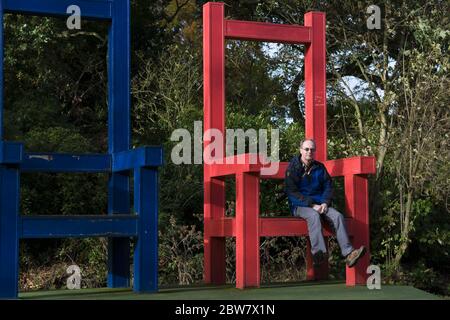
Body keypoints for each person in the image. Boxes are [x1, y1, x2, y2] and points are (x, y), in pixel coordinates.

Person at [284, 138, 366, 268]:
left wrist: (325, 203)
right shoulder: (293, 168)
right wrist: (311, 205)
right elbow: (292, 192)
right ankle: (319, 253)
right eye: (306, 149)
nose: (309, 152)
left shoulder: (320, 167)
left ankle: (349, 253)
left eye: (312, 149)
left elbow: (328, 186)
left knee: (338, 216)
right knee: (313, 216)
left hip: (320, 205)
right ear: (301, 150)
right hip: (300, 206)